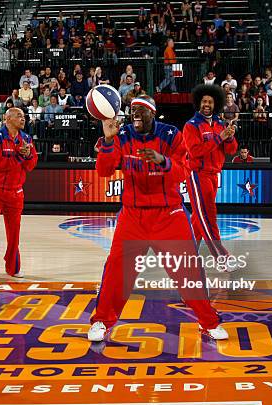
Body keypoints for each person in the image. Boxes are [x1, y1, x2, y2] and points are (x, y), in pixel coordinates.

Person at [88, 95, 228, 342]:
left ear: (153, 113)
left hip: (169, 215)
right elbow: (104, 170)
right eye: (133, 111)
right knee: (117, 272)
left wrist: (163, 161)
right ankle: (101, 321)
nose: (136, 114)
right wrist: (108, 140)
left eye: (142, 110)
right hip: (133, 215)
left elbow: (184, 171)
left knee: (189, 273)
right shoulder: (122, 135)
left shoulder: (171, 135)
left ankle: (209, 322)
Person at [0, 108, 37, 281]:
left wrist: (27, 156)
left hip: (16, 191)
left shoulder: (26, 139)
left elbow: (31, 165)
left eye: (24, 116)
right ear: (8, 118)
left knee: (14, 233)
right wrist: (20, 157)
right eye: (19, 116)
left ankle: (12, 267)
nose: (23, 119)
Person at [183, 85, 237, 265]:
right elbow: (196, 151)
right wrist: (219, 138)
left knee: (199, 217)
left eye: (210, 102)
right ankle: (222, 258)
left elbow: (231, 150)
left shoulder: (220, 124)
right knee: (208, 215)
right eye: (204, 101)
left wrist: (229, 137)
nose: (207, 104)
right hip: (198, 174)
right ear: (199, 103)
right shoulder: (191, 125)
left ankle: (187, 254)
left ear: (216, 104)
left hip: (214, 175)